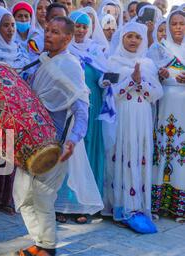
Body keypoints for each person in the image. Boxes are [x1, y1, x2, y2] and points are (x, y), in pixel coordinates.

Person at [13, 16, 93, 256]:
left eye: (55, 32)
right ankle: (39, 241)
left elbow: (82, 108)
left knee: (43, 198)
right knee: (22, 196)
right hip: (28, 143)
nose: (48, 35)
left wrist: (72, 140)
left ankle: (48, 249)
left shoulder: (70, 66)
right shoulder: (41, 62)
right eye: (47, 30)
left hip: (53, 145)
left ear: (67, 38)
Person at [102, 22, 163, 233]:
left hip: (142, 117)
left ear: (143, 40)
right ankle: (121, 206)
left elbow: (157, 94)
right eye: (129, 36)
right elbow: (108, 94)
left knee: (139, 156)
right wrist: (131, 81)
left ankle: (137, 206)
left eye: (137, 37)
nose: (133, 41)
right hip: (122, 116)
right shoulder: (112, 62)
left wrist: (141, 82)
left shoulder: (148, 64)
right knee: (122, 154)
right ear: (122, 38)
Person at [55, 10, 107, 224]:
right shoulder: (64, 50)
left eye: (85, 26)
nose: (81, 30)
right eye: (77, 25)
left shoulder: (96, 50)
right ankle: (62, 204)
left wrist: (106, 82)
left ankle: (83, 203)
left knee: (88, 154)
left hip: (92, 108)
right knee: (70, 152)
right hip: (69, 108)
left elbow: (104, 75)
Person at [0, 6, 30, 217]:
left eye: (12, 25)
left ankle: (6, 198)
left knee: (12, 155)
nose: (11, 29)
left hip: (16, 110)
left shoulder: (20, 50)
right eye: (5, 25)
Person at [149, 9, 185, 223]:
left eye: (182, 23)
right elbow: (148, 76)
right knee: (163, 149)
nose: (178, 27)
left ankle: (179, 206)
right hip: (164, 110)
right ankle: (160, 203)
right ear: (168, 26)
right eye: (175, 24)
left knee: (181, 152)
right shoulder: (159, 49)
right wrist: (159, 75)